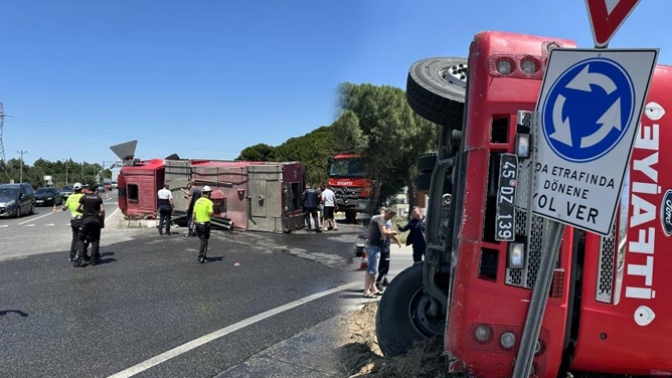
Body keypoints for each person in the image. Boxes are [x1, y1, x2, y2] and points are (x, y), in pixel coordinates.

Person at [363, 208, 397, 298]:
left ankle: (374, 289)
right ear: (388, 213)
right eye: (391, 216)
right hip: (373, 246)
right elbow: (385, 232)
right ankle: (366, 291)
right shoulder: (380, 219)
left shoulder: (376, 218)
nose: (391, 218)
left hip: (374, 245)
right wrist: (394, 232)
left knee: (373, 269)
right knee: (371, 269)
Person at [74, 183, 105, 267]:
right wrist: (99, 216)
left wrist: (83, 212)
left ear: (88, 189)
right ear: (95, 190)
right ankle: (93, 260)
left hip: (86, 220)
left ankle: (81, 257)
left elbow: (77, 208)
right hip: (95, 220)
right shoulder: (98, 198)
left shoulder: (83, 197)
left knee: (80, 238)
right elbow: (102, 210)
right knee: (95, 240)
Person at [376, 208, 402, 292]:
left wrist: (397, 240)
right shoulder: (380, 221)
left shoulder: (388, 221)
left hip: (387, 245)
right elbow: (386, 232)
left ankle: (383, 279)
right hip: (381, 245)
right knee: (383, 265)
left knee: (385, 265)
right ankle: (379, 281)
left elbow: (390, 232)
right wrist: (393, 233)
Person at [62, 182, 86, 262]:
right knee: (81, 238)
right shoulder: (82, 196)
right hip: (81, 219)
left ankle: (72, 255)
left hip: (73, 220)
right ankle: (80, 256)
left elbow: (64, 208)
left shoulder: (70, 197)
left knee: (74, 238)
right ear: (81, 189)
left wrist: (63, 207)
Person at [192, 185, 214, 264]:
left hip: (197, 223)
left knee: (202, 240)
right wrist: (212, 213)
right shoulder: (209, 202)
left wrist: (192, 223)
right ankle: (201, 257)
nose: (211, 194)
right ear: (208, 193)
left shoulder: (197, 201)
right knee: (204, 240)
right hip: (205, 224)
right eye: (210, 192)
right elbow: (211, 213)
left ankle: (203, 255)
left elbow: (194, 213)